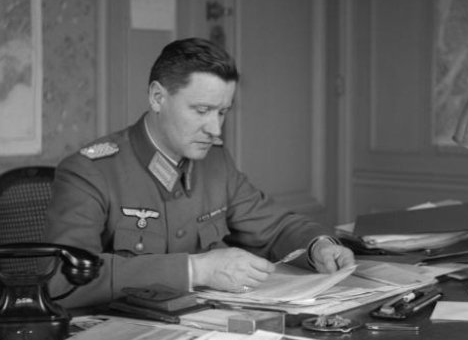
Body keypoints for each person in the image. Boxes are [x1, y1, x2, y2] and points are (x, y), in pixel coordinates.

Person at [44, 37, 354, 305]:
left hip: (205, 332)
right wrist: (197, 270)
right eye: (202, 110)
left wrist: (319, 246)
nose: (215, 129)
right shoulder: (89, 171)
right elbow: (64, 281)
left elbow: (274, 227)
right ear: (157, 97)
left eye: (222, 112)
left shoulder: (216, 163)